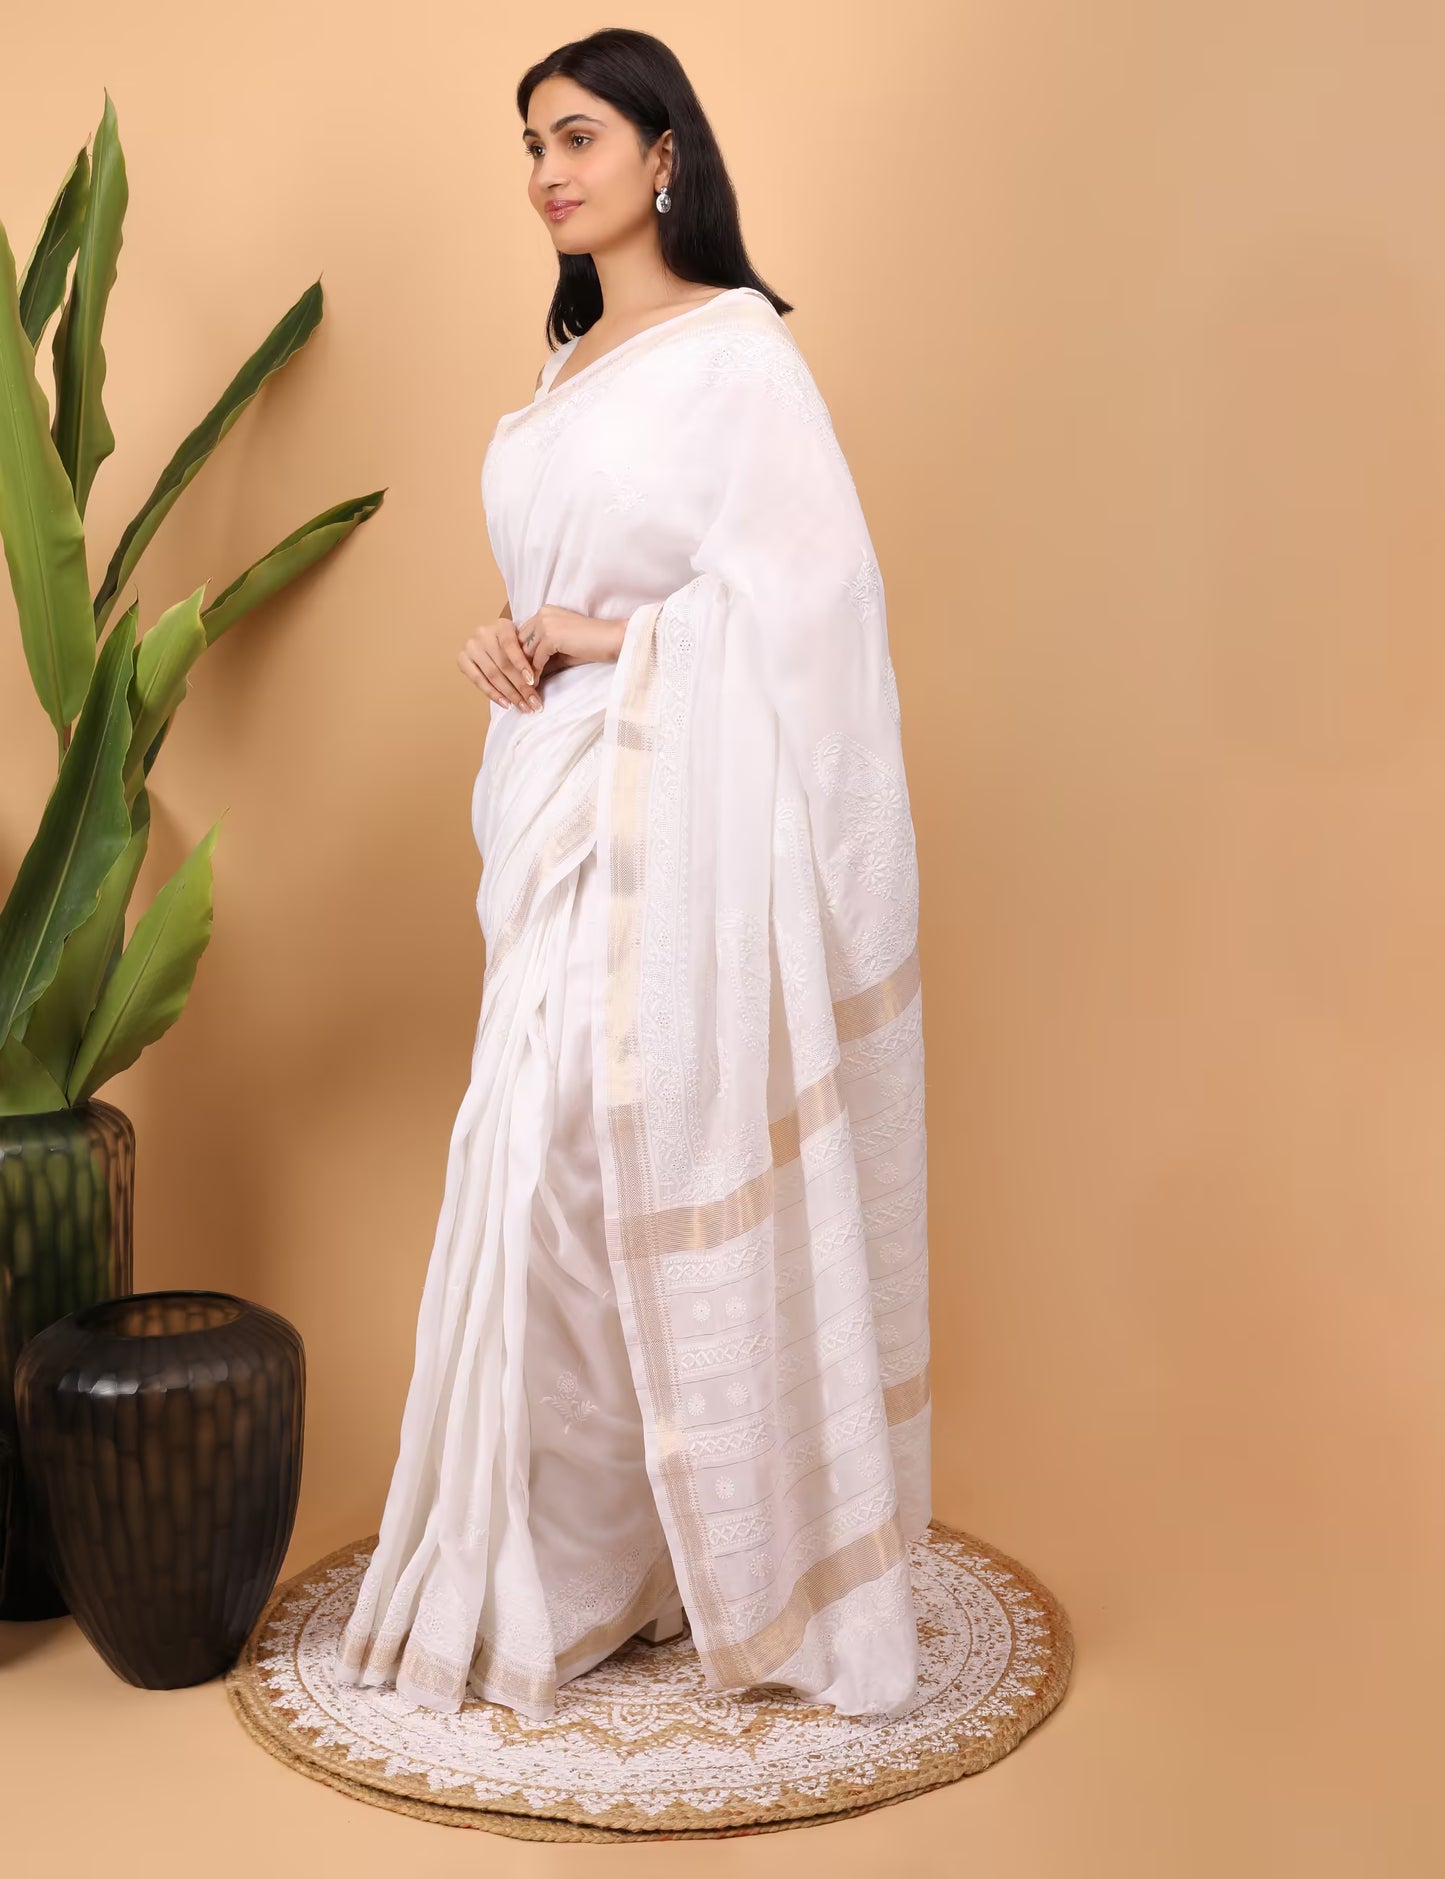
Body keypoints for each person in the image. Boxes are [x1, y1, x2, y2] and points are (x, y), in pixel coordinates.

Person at [333, 27, 931, 1725]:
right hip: (552, 790)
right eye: (531, 143)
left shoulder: (736, 355)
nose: (547, 170)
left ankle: (716, 1543)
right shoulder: (566, 370)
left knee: (625, 1151)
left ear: (664, 155)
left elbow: (816, 604)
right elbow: (560, 576)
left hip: (675, 803)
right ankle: (574, 1566)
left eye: (578, 135)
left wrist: (602, 639)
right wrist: (511, 637)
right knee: (535, 1170)